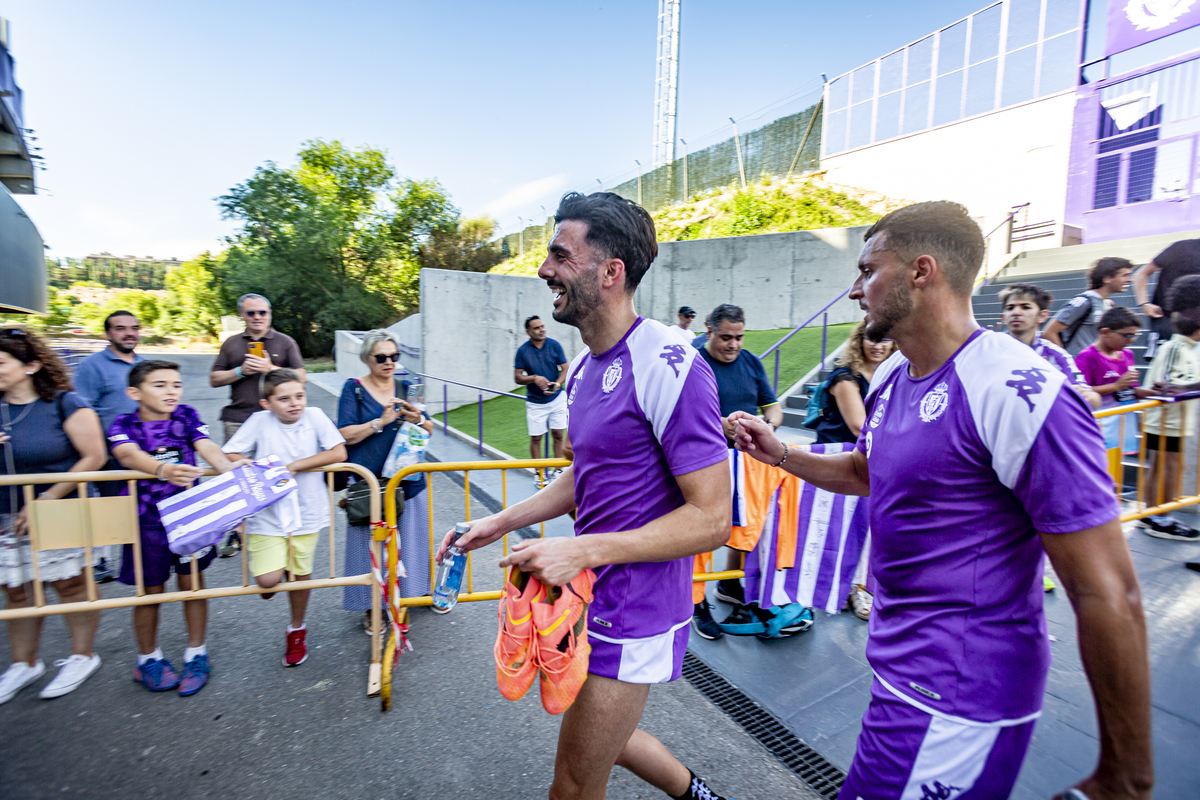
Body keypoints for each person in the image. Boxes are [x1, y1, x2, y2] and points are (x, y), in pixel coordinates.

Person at [731, 202, 1152, 799]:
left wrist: (1126, 778)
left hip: (960, 695)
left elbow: (1109, 591)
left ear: (920, 272)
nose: (855, 291)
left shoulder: (1018, 391)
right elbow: (865, 472)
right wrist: (779, 455)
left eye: (868, 270)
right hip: (900, 674)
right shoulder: (890, 378)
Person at [438, 192, 733, 800]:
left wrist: (584, 551)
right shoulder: (582, 368)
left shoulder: (671, 364)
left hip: (637, 609)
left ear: (611, 271)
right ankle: (699, 796)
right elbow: (586, 475)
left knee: (572, 784)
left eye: (559, 255)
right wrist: (502, 520)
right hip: (590, 594)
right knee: (608, 738)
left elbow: (711, 520)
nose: (545, 269)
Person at [109, 360, 239, 696]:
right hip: (145, 522)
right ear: (134, 392)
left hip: (189, 519)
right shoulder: (122, 423)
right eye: (160, 385)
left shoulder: (186, 415)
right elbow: (127, 455)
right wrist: (161, 470)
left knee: (193, 583)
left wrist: (228, 468)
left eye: (176, 385)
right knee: (150, 592)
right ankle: (148, 659)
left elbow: (205, 445)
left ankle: (197, 653)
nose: (171, 392)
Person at [0, 328, 107, 704]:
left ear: (30, 365)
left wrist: (45, 498)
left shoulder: (65, 403)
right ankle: (24, 664)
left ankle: (82, 655)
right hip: (5, 515)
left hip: (59, 508)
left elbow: (94, 456)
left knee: (70, 585)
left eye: (1, 363)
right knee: (16, 591)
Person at [223, 369, 346, 666]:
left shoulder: (315, 417)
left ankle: (297, 629)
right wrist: (255, 465)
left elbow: (339, 452)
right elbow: (231, 453)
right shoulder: (258, 421)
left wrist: (294, 466)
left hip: (307, 511)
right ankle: (269, 572)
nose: (294, 403)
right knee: (268, 581)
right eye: (284, 399)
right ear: (267, 404)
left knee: (300, 573)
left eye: (299, 396)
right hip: (268, 513)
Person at [690, 303, 782, 640]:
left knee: (746, 525)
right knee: (702, 532)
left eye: (739, 337)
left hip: (745, 462)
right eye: (726, 337)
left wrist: (767, 426)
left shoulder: (751, 362)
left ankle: (729, 582)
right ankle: (696, 602)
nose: (733, 344)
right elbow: (679, 412)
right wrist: (720, 426)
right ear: (708, 330)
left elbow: (772, 406)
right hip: (700, 464)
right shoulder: (691, 362)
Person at [337, 330, 433, 632]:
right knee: (369, 547)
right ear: (367, 359)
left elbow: (428, 427)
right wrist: (381, 422)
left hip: (407, 479)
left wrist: (417, 419)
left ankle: (408, 598)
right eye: (382, 357)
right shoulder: (353, 390)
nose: (389, 362)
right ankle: (372, 607)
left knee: (410, 543)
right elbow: (343, 434)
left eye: (394, 356)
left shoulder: (406, 387)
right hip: (369, 485)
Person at [806, 321, 896, 621]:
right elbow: (860, 425)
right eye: (872, 339)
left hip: (872, 460)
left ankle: (854, 587)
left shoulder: (891, 374)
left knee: (865, 529)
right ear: (859, 342)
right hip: (839, 462)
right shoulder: (845, 377)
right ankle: (838, 588)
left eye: (885, 339)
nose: (879, 345)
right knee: (837, 530)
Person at [209, 293, 305, 555]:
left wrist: (269, 367)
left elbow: (301, 376)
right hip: (238, 418)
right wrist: (240, 371)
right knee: (237, 478)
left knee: (274, 475)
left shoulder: (285, 342)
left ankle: (280, 529)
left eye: (262, 312)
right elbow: (214, 379)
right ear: (242, 315)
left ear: (270, 314)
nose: (257, 317)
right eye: (251, 313)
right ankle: (237, 531)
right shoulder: (231, 344)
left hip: (275, 420)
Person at [74, 309, 145, 581]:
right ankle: (101, 559)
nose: (129, 333)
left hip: (145, 452)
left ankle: (139, 556)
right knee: (108, 508)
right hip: (109, 453)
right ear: (108, 333)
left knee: (139, 508)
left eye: (134, 328)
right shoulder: (91, 365)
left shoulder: (144, 365)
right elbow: (82, 408)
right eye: (120, 328)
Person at [1135, 275, 1200, 543]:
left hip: (1171, 421)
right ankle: (1161, 518)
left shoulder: (1188, 348)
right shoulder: (1176, 348)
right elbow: (1173, 387)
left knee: (1163, 467)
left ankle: (1152, 514)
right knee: (1168, 468)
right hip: (1166, 421)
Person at [998, 283, 1101, 409]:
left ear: (1042, 316)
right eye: (1010, 308)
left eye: (1025, 307)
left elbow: (1089, 396)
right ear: (1003, 317)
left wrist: (1087, 396)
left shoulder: (1056, 354)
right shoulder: (987, 348)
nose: (1016, 312)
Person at [1042, 257, 1133, 355]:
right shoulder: (1084, 302)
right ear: (1107, 278)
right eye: (1125, 275)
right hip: (1078, 367)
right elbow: (1049, 332)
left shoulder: (1108, 305)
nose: (1130, 279)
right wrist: (1067, 361)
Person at [513, 315, 568, 471]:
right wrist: (534, 378)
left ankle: (558, 471)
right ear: (528, 331)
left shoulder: (554, 345)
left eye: (542, 326)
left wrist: (557, 384)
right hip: (535, 402)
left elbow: (565, 368)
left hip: (557, 399)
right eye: (536, 328)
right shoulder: (522, 351)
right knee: (536, 438)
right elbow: (517, 377)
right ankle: (539, 473)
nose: (541, 330)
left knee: (558, 434)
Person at [1132, 237, 1200, 356]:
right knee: (1168, 365)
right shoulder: (1182, 247)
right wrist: (1144, 303)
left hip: (1195, 323)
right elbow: (1142, 273)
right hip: (1168, 319)